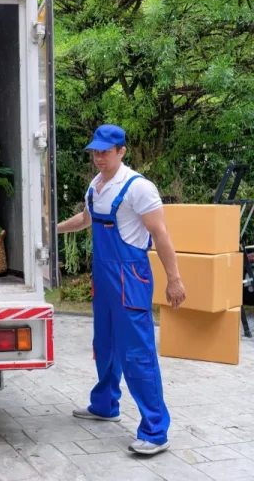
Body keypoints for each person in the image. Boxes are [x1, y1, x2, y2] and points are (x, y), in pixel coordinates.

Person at [57, 124, 186, 456]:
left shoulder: (138, 188)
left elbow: (161, 235)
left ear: (121, 151)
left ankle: (155, 431)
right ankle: (105, 404)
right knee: (104, 345)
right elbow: (85, 220)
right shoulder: (96, 185)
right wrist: (50, 231)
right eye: (95, 152)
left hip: (130, 278)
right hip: (104, 277)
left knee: (137, 354)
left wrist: (174, 279)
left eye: (105, 152)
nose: (99, 157)